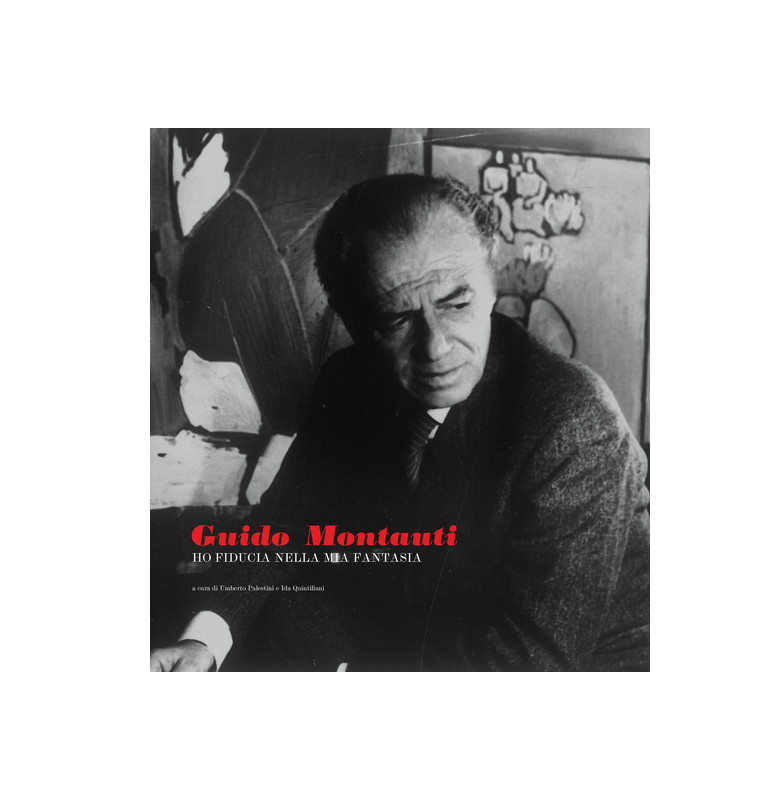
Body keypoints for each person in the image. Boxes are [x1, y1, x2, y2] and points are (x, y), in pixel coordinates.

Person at [150, 174, 650, 672]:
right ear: (352, 320)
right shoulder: (348, 380)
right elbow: (287, 525)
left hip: (578, 673)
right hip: (428, 630)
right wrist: (203, 641)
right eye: (397, 319)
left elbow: (531, 662)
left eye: (457, 303)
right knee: (288, 619)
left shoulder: (573, 420)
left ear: (492, 283)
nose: (436, 347)